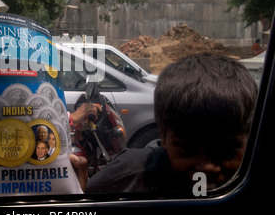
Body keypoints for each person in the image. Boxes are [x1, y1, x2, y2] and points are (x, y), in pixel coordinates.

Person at [85, 53, 258, 196]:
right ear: (163, 136)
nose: (206, 167)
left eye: (225, 151)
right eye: (187, 149)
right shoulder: (128, 177)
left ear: (251, 139)